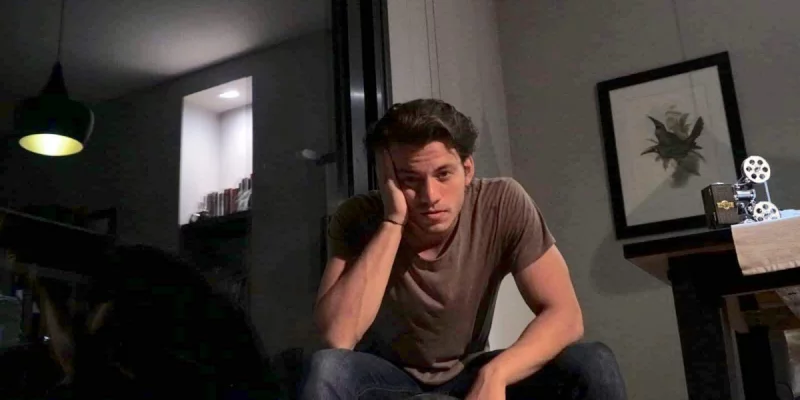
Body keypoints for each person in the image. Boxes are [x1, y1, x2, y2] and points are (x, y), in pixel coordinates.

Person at [301, 99, 627, 399]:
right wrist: (392, 221)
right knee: (328, 369)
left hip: (469, 370)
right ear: (388, 179)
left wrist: (497, 374)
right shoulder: (358, 217)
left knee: (592, 362)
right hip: (387, 378)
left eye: (443, 174)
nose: (430, 196)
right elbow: (337, 337)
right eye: (409, 179)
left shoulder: (502, 202)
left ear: (467, 169)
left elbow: (566, 315)